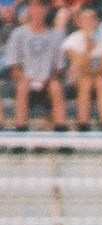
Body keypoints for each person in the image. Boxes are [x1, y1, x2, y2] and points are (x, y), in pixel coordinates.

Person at [4, 0, 69, 132]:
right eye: (33, 6)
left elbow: (60, 67)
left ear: (47, 10)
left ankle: (61, 131)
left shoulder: (56, 35)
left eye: (41, 6)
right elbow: (14, 66)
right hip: (26, 80)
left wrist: (49, 79)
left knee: (55, 86)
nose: (37, 10)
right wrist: (25, 78)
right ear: (29, 9)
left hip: (47, 81)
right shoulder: (18, 34)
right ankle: (20, 129)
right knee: (22, 86)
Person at [61, 5, 102, 131]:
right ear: (79, 22)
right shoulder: (71, 41)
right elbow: (80, 65)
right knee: (86, 82)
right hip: (77, 79)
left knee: (99, 81)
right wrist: (88, 48)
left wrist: (91, 72)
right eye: (85, 19)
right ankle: (83, 124)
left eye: (92, 18)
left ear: (97, 21)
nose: (89, 22)